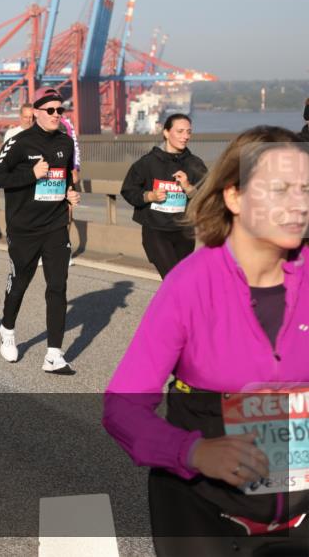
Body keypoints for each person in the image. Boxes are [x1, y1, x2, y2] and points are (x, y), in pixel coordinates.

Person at [103, 126, 309, 556]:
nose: (299, 204)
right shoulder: (189, 285)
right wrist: (192, 451)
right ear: (234, 197)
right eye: (280, 190)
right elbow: (122, 406)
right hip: (200, 503)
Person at [0, 87, 80, 374]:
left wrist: (69, 193)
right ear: (36, 112)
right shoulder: (19, 143)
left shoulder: (66, 142)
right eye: (49, 110)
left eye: (59, 110)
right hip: (24, 228)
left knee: (57, 287)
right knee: (20, 284)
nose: (55, 115)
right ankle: (7, 329)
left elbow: (64, 179)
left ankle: (53, 355)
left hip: (55, 226)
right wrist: (30, 174)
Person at [120, 114, 208, 278]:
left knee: (183, 279)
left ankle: (170, 304)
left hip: (184, 231)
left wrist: (188, 188)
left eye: (188, 132)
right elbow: (128, 190)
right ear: (166, 133)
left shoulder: (195, 164)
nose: (185, 136)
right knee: (173, 278)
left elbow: (208, 198)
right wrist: (150, 196)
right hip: (156, 231)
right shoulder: (148, 162)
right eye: (180, 131)